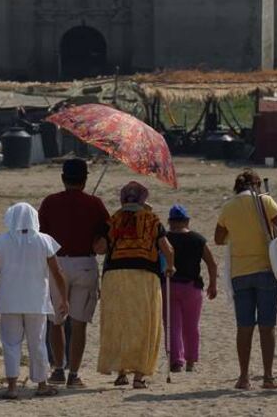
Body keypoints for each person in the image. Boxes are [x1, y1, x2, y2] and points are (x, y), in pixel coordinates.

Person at [215, 169, 277, 390]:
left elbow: (219, 238)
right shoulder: (264, 201)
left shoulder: (229, 206)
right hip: (265, 270)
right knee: (266, 326)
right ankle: (268, 377)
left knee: (244, 327)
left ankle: (243, 377)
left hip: (240, 272)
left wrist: (239, 236)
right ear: (257, 184)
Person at [0, 202, 68, 399]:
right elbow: (57, 272)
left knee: (10, 343)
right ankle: (42, 385)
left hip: (9, 302)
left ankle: (12, 387)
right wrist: (63, 297)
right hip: (36, 302)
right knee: (37, 343)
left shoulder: (1, 241)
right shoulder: (45, 241)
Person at [37, 158, 110, 388]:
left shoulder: (50, 202)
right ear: (85, 179)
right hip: (85, 264)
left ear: (63, 178)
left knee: (56, 321)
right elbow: (105, 237)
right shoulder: (95, 204)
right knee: (79, 323)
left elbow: (42, 236)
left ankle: (58, 369)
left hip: (57, 263)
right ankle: (74, 374)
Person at [96, 181, 174, 389]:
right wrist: (170, 268)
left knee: (119, 323)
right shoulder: (152, 219)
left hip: (115, 276)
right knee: (144, 325)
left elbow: (101, 248)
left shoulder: (114, 219)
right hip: (145, 276)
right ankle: (139, 377)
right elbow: (168, 250)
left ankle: (121, 373)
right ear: (143, 199)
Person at [165, 204, 217, 373]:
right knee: (191, 326)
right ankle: (191, 361)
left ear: (169, 221)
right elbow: (211, 263)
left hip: (169, 285)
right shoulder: (197, 239)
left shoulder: (164, 238)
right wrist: (212, 285)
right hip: (192, 287)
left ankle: (176, 361)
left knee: (172, 325)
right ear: (187, 220)